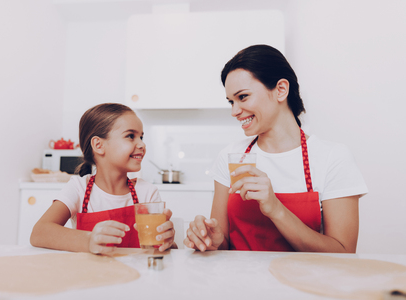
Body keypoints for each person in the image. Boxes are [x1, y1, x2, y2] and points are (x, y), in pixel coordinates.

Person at [184, 45, 368, 253]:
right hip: (238, 283)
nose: (235, 111)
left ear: (281, 90)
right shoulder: (229, 157)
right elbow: (222, 244)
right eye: (231, 102)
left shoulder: (333, 158)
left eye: (242, 97)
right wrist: (211, 239)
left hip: (302, 284)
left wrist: (275, 209)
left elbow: (343, 253)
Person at [31, 103, 175, 254]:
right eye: (130, 136)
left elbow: (160, 250)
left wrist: (168, 242)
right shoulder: (79, 188)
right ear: (98, 145)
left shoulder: (147, 192)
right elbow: (39, 232)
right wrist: (89, 240)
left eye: (141, 137)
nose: (142, 144)